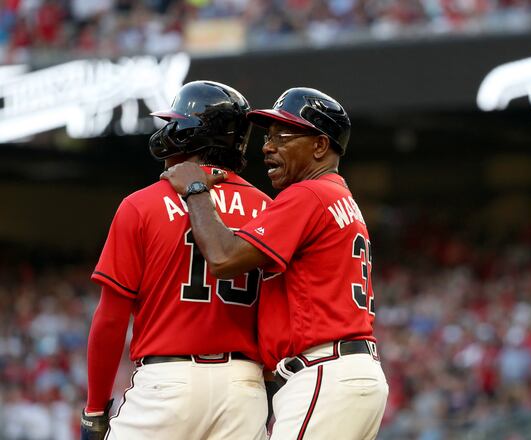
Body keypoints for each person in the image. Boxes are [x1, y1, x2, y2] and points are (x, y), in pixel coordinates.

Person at [161, 87, 389, 440]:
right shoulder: (340, 196)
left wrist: (196, 190)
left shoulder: (308, 193)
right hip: (349, 372)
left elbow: (223, 258)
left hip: (324, 373)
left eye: (283, 136)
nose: (268, 146)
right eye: (268, 137)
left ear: (319, 146)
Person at [80, 81, 272, 440]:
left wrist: (94, 409)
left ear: (189, 134)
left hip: (167, 385)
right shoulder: (270, 210)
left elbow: (111, 319)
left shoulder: (142, 204)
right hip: (243, 388)